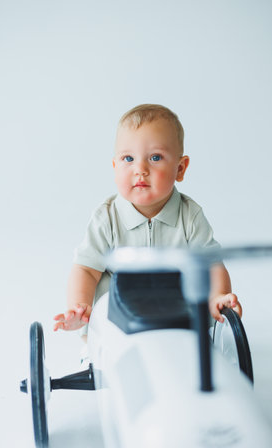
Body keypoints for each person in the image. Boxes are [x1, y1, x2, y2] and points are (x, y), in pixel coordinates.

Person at [53, 104, 242, 341]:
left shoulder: (189, 215)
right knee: (103, 332)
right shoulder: (107, 218)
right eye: (128, 158)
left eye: (155, 158)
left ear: (180, 169)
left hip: (177, 320)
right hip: (117, 323)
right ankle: (95, 355)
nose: (140, 170)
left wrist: (218, 297)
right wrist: (79, 306)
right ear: (115, 167)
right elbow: (85, 269)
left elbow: (212, 265)